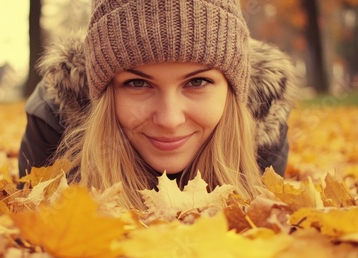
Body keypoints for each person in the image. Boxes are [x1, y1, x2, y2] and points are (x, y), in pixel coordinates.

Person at [18, 0, 296, 209]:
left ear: (233, 88)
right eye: (138, 84)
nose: (169, 120)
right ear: (102, 91)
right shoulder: (54, 123)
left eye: (197, 82)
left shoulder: (263, 132)